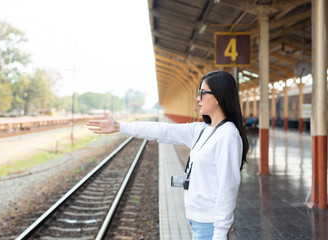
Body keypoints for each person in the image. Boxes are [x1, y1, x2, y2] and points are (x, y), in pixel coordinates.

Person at [86, 70, 249, 240]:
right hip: (197, 221)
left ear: (218, 97)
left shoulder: (228, 135)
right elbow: (162, 130)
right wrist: (119, 127)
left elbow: (227, 188)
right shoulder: (202, 130)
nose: (197, 98)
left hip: (210, 226)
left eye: (202, 93)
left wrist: (220, 234)